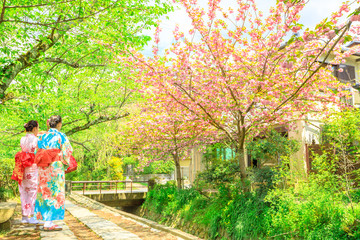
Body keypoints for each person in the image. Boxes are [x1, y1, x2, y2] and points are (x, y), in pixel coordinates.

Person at [34, 115, 73, 231]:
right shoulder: (61, 136)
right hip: (55, 168)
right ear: (59, 124)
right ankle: (49, 223)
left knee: (44, 192)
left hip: (43, 168)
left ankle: (46, 220)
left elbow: (36, 151)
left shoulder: (41, 136)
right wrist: (63, 159)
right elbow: (68, 150)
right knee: (55, 192)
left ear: (48, 124)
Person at [11, 120, 42, 225]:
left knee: (23, 191)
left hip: (22, 168)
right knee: (33, 191)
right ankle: (32, 216)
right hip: (32, 166)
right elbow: (38, 153)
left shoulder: (22, 139)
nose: (38, 130)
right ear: (34, 129)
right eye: (38, 128)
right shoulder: (36, 139)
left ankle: (24, 216)